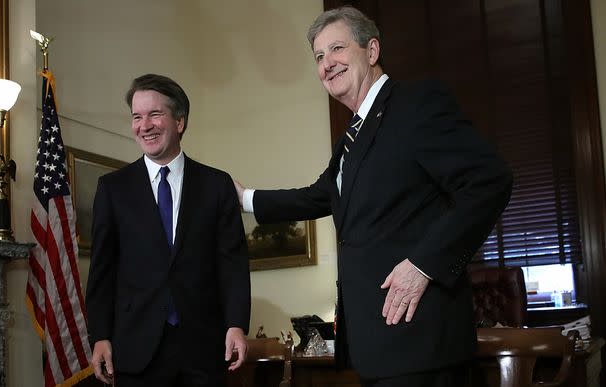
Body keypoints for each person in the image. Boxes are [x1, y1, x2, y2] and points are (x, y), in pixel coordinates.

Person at [234, 6, 512, 387]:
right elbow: (318, 196)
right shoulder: (350, 138)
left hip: (421, 341)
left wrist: (423, 265)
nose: (327, 63)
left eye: (337, 49)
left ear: (372, 50)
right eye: (318, 56)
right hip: (376, 345)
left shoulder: (416, 104)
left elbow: (489, 181)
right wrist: (244, 198)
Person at [86, 74, 251, 387]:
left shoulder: (216, 185)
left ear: (180, 122)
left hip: (204, 349)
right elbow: (102, 271)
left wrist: (236, 324)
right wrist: (100, 336)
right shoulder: (113, 189)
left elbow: (232, 264)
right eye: (137, 116)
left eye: (154, 114)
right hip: (136, 350)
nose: (144, 125)